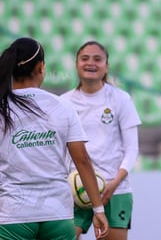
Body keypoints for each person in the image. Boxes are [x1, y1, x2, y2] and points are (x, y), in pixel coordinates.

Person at [0, 37, 109, 240]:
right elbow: (82, 160)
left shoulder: (3, 106)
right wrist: (98, 209)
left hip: (13, 216)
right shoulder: (62, 106)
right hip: (58, 214)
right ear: (41, 67)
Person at [61, 41, 141, 240]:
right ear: (76, 64)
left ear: (106, 65)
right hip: (74, 189)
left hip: (114, 190)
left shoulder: (121, 99)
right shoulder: (63, 103)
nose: (91, 63)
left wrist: (113, 183)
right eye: (85, 58)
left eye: (98, 59)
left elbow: (132, 148)